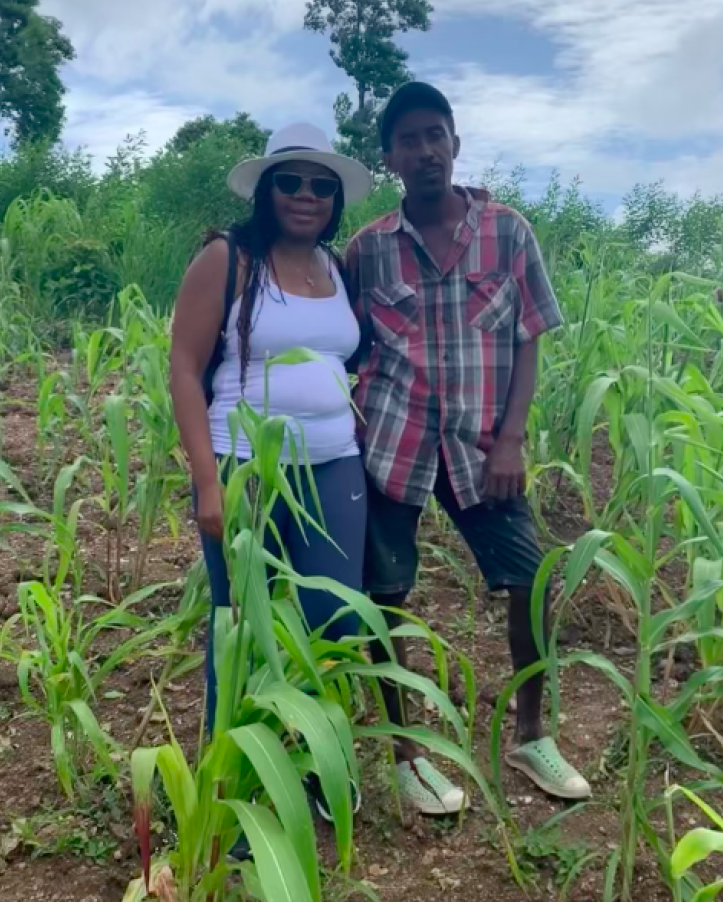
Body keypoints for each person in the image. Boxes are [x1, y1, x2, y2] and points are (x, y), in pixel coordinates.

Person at [346, 82, 591, 814]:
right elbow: (342, 348)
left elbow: (528, 341)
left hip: (484, 448)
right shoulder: (367, 251)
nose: (425, 151)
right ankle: (406, 754)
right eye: (409, 140)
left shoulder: (509, 233)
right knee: (385, 595)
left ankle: (530, 733)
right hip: (392, 444)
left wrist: (512, 438)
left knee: (530, 579)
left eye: (436, 135)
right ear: (388, 156)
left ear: (456, 142)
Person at [169, 123, 373, 813]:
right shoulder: (230, 259)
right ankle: (228, 774)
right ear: (266, 189)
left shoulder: (335, 266)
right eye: (291, 181)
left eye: (322, 185)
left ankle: (315, 769)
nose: (306, 195)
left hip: (335, 465)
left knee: (333, 622)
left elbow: (346, 357)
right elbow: (185, 368)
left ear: (336, 198)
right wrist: (206, 479)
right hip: (246, 464)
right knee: (239, 623)